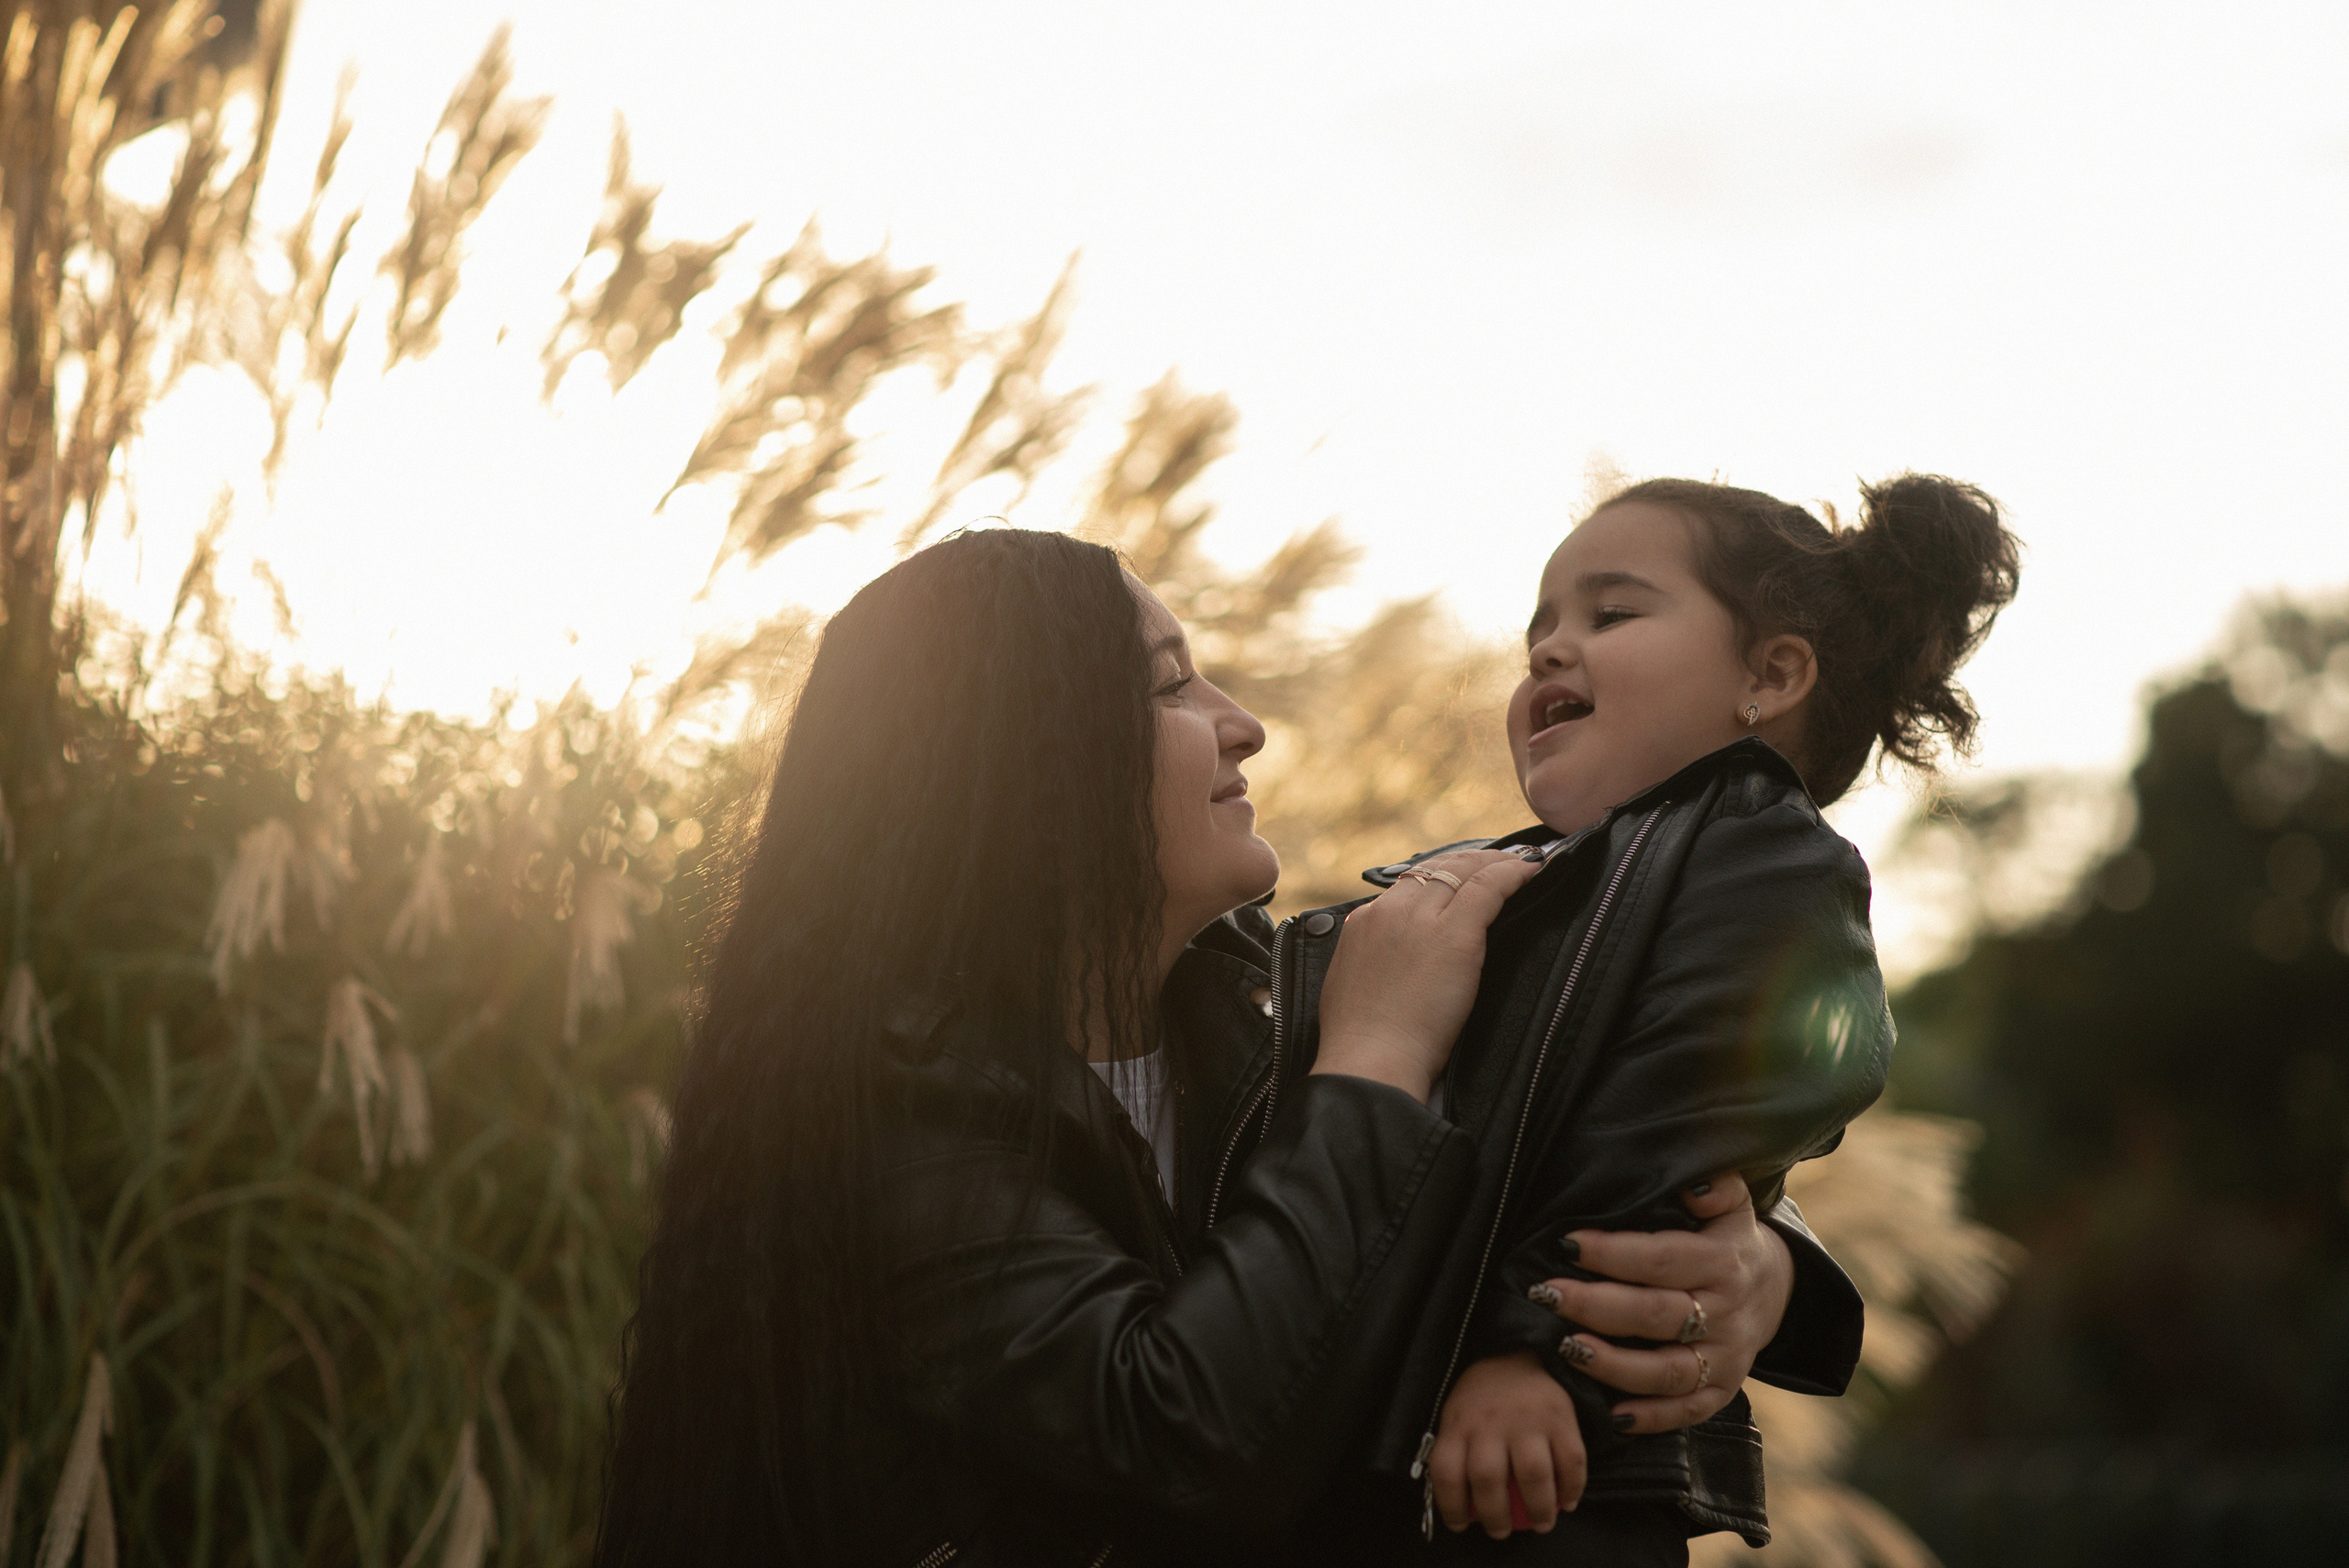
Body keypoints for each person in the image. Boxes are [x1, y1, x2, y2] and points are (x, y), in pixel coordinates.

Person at [592, 528, 1825, 1567]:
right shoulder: (884, 1104)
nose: (1243, 728)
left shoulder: (1248, 1035)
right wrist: (1378, 1052)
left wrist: (1761, 1264)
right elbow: (1178, 1440)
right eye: (1172, 685)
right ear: (1027, 760)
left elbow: (1581, 1114)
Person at [1261, 473, 2023, 1562]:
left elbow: (1684, 1107)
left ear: (1770, 675)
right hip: (1437, 1447)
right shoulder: (1536, 881)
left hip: (1563, 1456)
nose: (1548, 651)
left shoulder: (1765, 855)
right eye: (1541, 627)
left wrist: (1531, 1344)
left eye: (1609, 614)